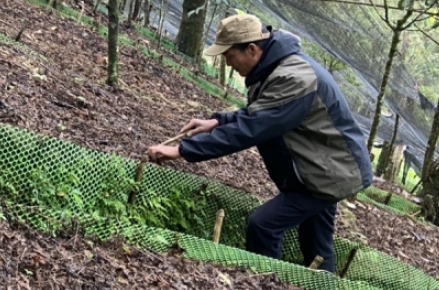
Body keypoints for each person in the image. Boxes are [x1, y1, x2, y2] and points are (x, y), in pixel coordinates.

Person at [146, 14, 372, 273]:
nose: (228, 64)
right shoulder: (275, 67)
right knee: (317, 246)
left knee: (263, 225)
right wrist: (219, 122)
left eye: (229, 56)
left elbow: (254, 128)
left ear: (252, 49)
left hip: (328, 174)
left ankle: (265, 281)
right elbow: (264, 111)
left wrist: (181, 150)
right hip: (325, 168)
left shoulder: (294, 77)